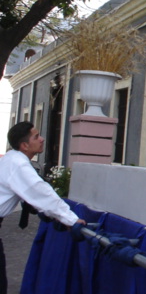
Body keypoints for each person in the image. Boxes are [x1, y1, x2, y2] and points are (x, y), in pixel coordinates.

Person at [0, 122, 86, 293]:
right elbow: (42, 193)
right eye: (36, 136)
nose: (42, 139)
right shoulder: (18, 164)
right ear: (24, 145)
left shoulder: (11, 158)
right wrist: (72, 220)